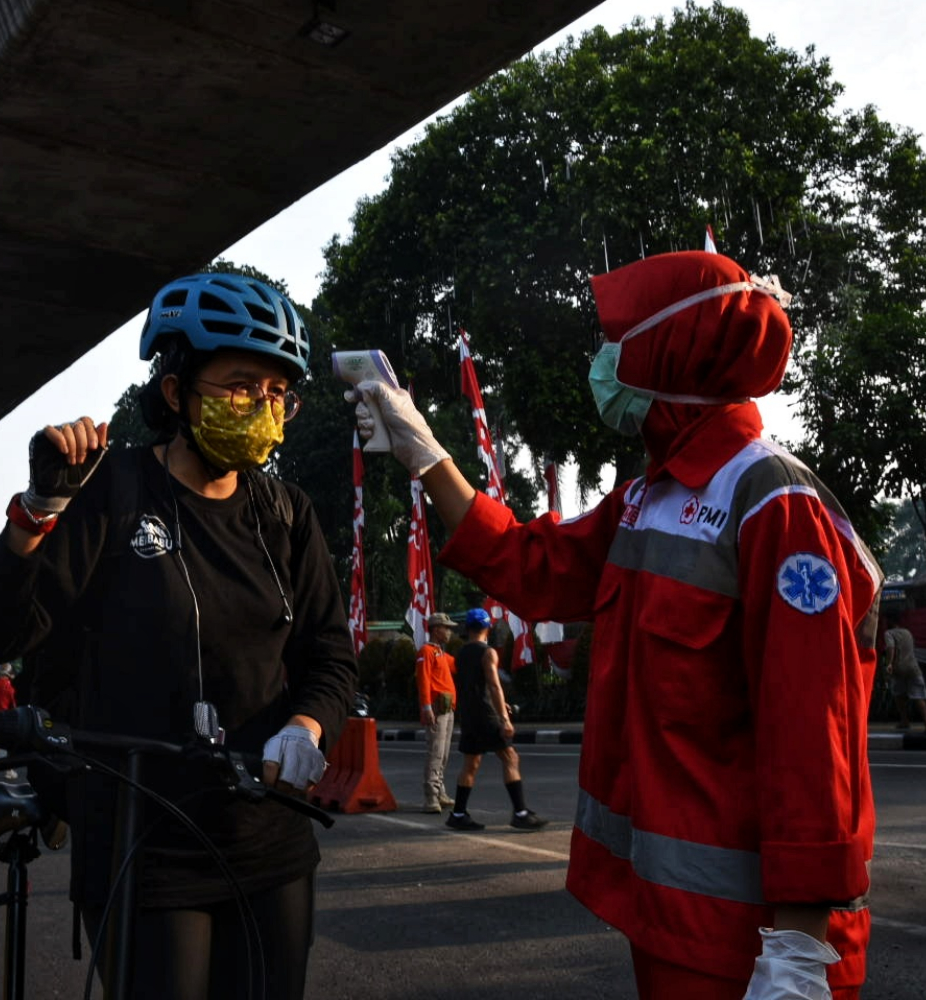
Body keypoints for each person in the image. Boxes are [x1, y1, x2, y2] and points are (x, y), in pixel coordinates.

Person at [350, 251, 878, 999]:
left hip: (761, 948)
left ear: (671, 348)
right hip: (670, 923)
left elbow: (811, 736)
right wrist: (424, 451)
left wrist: (798, 949)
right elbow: (528, 565)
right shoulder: (644, 500)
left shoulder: (774, 504)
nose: (604, 360)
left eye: (617, 340)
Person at [0, 272, 357, 1000]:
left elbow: (329, 653)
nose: (262, 408)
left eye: (277, 394)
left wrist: (306, 725)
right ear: (175, 391)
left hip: (270, 843)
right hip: (143, 844)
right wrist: (40, 508)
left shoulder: (287, 514)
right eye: (241, 386)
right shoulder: (111, 491)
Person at [447, 608, 547, 832]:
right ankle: (520, 813)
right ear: (487, 627)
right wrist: (504, 717)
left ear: (467, 628)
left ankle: (458, 813)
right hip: (487, 715)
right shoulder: (488, 652)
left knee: (471, 763)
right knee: (510, 756)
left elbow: (471, 686)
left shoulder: (460, 654)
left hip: (469, 716)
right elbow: (493, 685)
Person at [415, 611, 457, 814]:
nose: (449, 632)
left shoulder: (441, 653)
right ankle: (430, 796)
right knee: (435, 753)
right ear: (436, 629)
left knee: (445, 754)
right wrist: (426, 708)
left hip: (448, 709)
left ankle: (440, 791)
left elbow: (458, 665)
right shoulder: (426, 651)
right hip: (437, 710)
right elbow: (423, 681)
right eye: (446, 628)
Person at [883, 615, 926, 734]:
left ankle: (905, 720)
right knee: (919, 696)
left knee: (898, 694)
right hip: (913, 667)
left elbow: (891, 648)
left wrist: (889, 664)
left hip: (898, 669)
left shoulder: (889, 633)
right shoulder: (907, 632)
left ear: (889, 621)